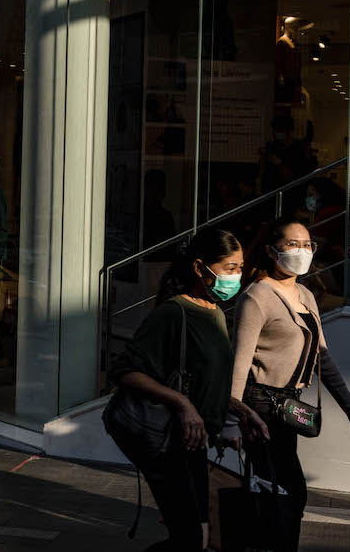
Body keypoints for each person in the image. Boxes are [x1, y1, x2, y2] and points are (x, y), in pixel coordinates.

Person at [231, 218, 350, 552]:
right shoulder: (257, 297)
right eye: (292, 244)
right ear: (271, 250)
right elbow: (239, 363)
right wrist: (231, 422)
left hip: (288, 406)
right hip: (259, 405)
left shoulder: (306, 294)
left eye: (307, 244)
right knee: (281, 491)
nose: (302, 251)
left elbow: (323, 358)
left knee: (286, 492)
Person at [108, 227, 246, 551]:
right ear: (200, 268)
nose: (237, 277)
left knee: (192, 538)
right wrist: (182, 404)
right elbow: (124, 370)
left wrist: (241, 412)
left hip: (196, 447)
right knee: (188, 539)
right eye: (230, 268)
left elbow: (208, 384)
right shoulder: (174, 312)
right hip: (169, 444)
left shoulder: (217, 314)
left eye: (240, 268)